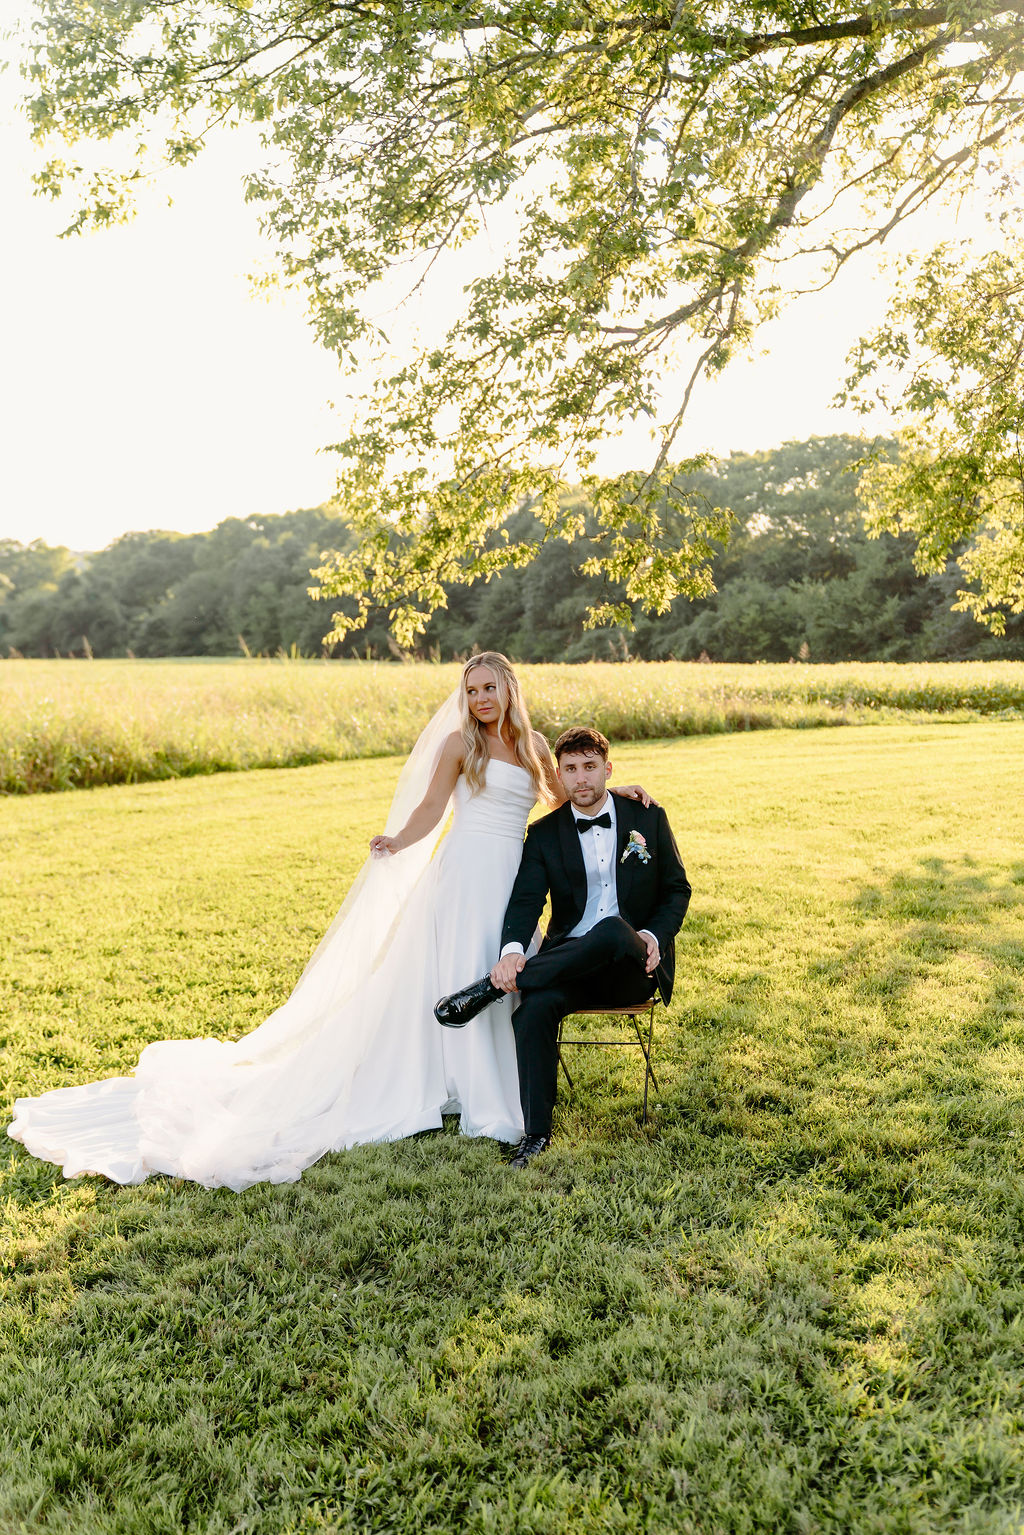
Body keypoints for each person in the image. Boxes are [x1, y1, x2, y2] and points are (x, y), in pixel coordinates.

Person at [8, 655, 650, 1191]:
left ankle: (496, 1077)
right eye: (471, 689)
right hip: (466, 871)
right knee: (463, 967)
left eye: (490, 687)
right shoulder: (463, 744)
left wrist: (627, 795)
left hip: (513, 873)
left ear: (510, 687)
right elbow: (432, 808)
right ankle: (463, 1088)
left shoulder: (536, 746)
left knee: (508, 964)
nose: (481, 698)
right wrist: (397, 841)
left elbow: (568, 797)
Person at [435, 726, 690, 1169]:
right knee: (532, 1009)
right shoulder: (546, 833)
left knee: (611, 929)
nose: (581, 778)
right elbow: (526, 901)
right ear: (558, 774)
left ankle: (495, 988)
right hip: (569, 967)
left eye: (590, 767)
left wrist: (652, 937)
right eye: (570, 769)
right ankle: (535, 1136)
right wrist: (512, 950)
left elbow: (677, 890)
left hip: (632, 967)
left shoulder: (647, 817)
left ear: (607, 769)